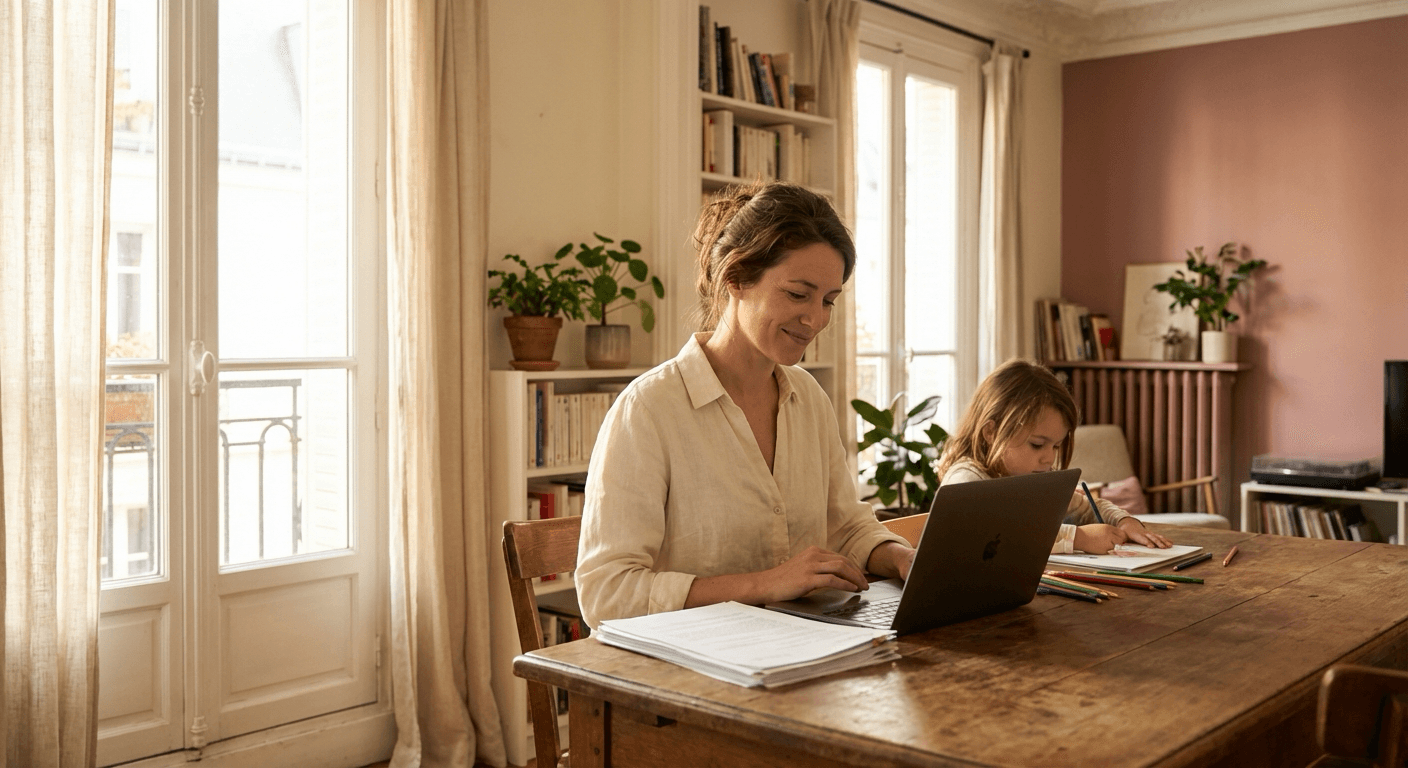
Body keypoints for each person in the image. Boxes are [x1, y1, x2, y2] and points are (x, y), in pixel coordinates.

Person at [575, 182, 915, 629]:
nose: (816, 320)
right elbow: (607, 592)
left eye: (828, 301)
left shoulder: (808, 398)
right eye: (798, 294)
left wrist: (903, 558)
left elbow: (845, 527)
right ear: (735, 278)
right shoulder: (649, 409)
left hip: (803, 652)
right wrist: (765, 584)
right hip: (689, 668)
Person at [935, 358, 1173, 555]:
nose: (1049, 458)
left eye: (1056, 446)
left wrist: (1124, 522)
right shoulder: (965, 479)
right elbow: (997, 535)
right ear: (991, 432)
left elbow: (1088, 507)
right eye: (1037, 445)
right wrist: (1076, 538)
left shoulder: (1031, 478)